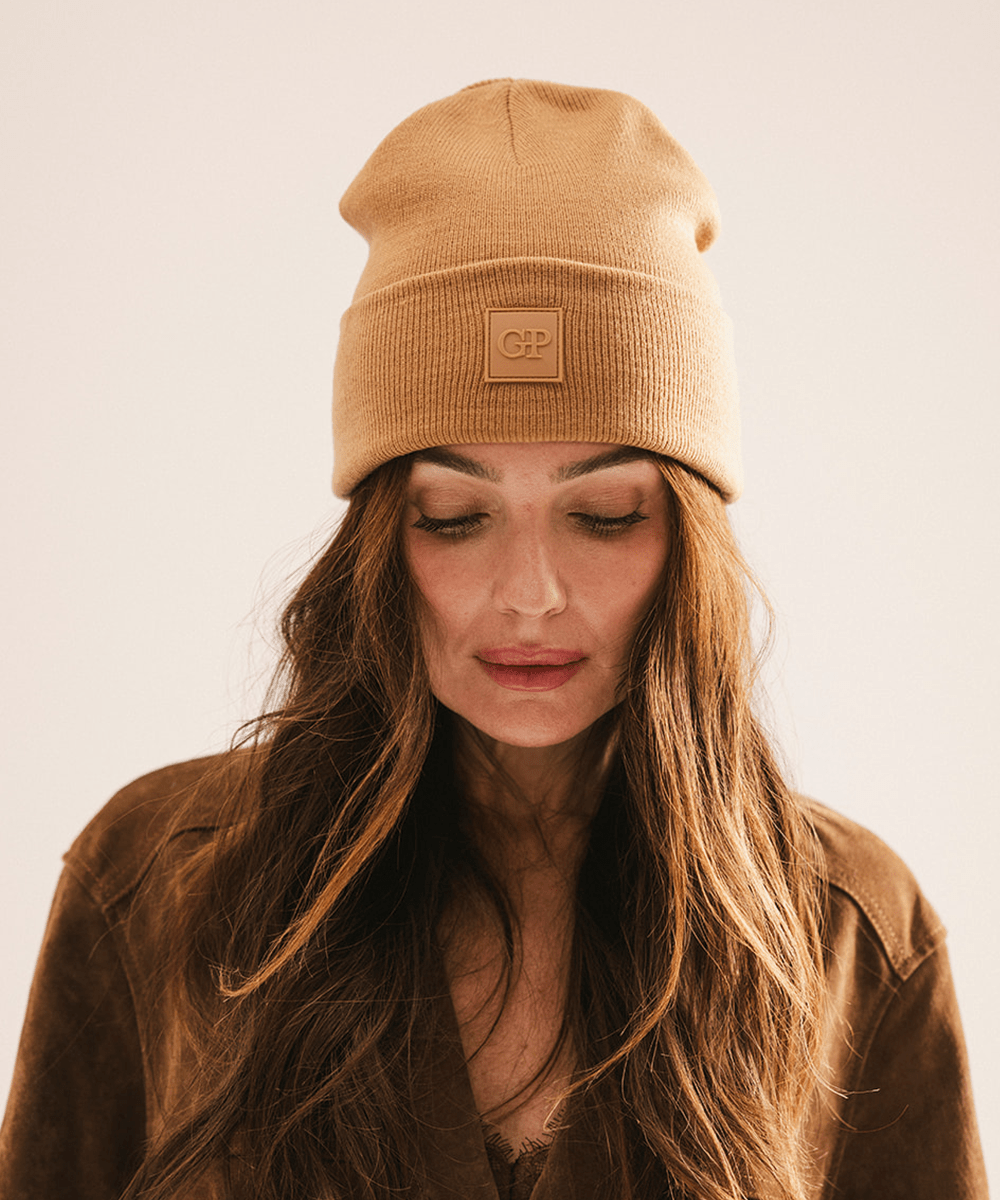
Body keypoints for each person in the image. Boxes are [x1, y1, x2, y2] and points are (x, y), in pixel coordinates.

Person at [0, 79, 987, 1200]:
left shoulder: (852, 934)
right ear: (377, 544)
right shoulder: (155, 884)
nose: (530, 595)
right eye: (453, 517)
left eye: (603, 515)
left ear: (687, 545)